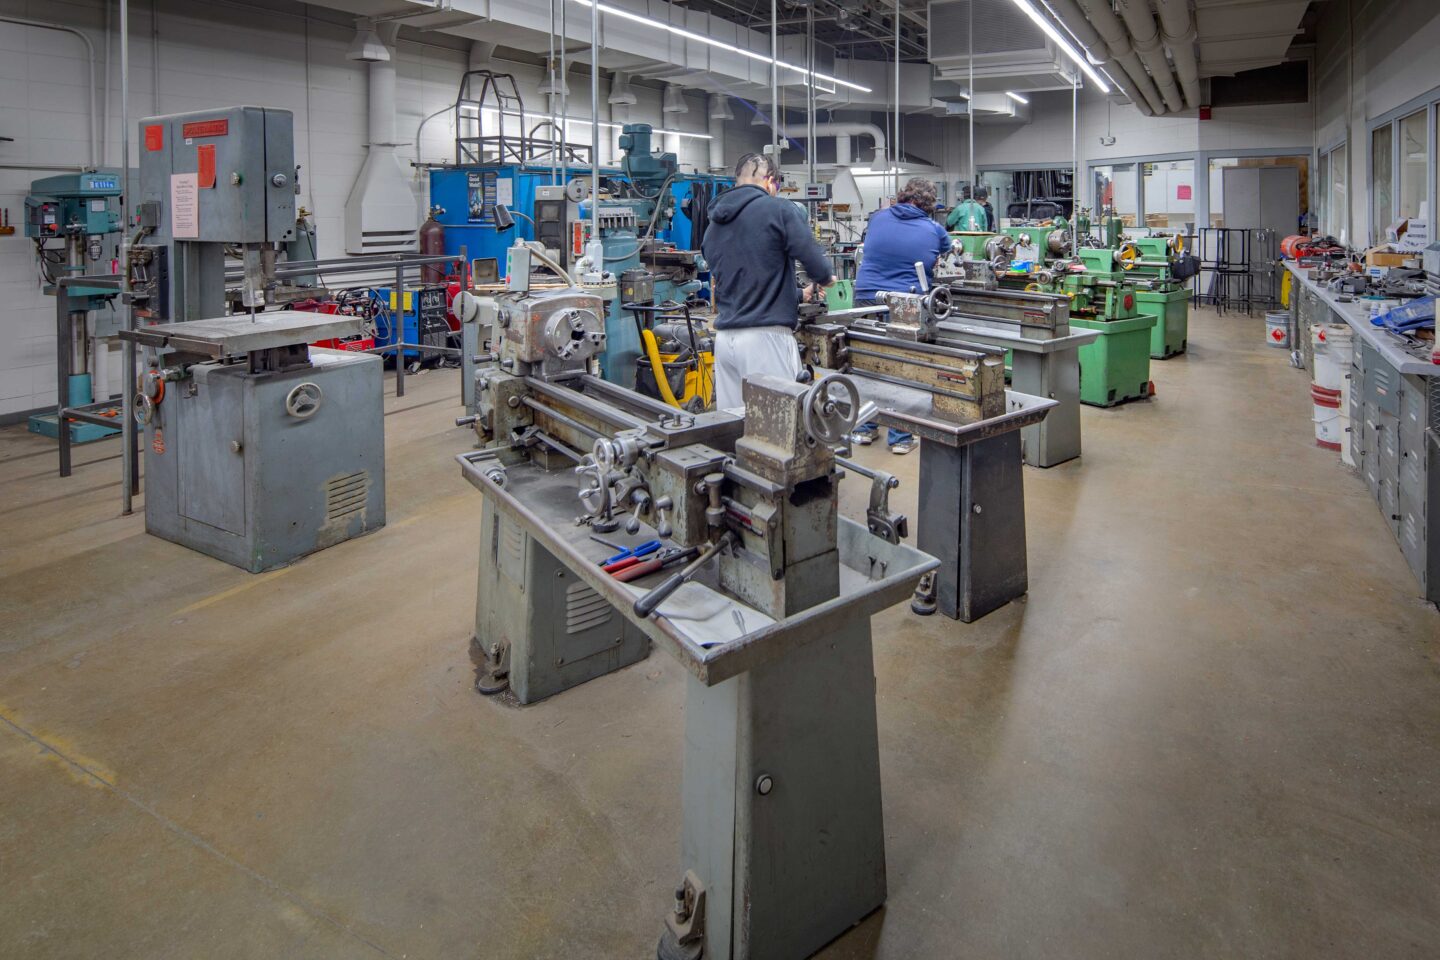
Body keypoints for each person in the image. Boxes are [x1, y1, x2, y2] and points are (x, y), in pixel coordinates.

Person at [702, 153, 835, 410]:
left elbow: (745, 275)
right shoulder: (778, 209)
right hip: (765, 340)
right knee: (779, 428)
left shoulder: (713, 226)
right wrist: (825, 277)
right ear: (770, 181)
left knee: (734, 426)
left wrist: (798, 294)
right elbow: (809, 254)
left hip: (725, 341)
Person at [849, 177, 950, 455]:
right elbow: (947, 253)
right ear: (929, 204)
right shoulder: (934, 229)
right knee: (904, 366)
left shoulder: (878, 218)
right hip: (906, 302)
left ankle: (863, 428)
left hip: (867, 296)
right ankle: (900, 437)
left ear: (903, 196)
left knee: (868, 363)